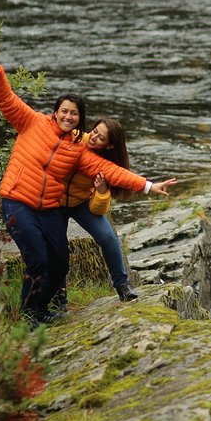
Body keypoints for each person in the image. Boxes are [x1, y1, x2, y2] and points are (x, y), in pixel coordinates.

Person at [0, 45, 177, 328]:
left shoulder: (78, 148)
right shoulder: (32, 122)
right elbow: (6, 98)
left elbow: (110, 170)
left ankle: (41, 310)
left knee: (61, 262)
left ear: (79, 118)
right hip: (18, 200)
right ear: (56, 112)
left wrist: (147, 186)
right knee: (38, 259)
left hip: (50, 206)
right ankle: (29, 313)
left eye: (74, 113)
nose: (68, 116)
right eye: (64, 111)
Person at [54, 117, 148, 308]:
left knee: (108, 237)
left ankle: (122, 286)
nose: (94, 137)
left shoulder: (107, 165)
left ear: (110, 145)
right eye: (95, 131)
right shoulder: (75, 139)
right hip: (54, 201)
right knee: (58, 249)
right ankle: (59, 301)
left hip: (80, 203)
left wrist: (103, 190)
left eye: (101, 137)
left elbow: (98, 209)